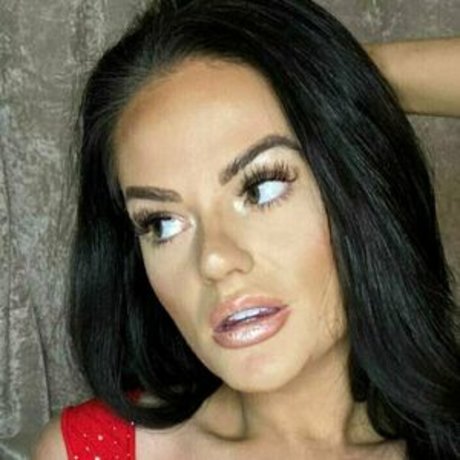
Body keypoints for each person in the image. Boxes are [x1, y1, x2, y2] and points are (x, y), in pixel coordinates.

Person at [34, 0, 460, 459]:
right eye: (162, 223)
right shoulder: (90, 451)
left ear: (362, 186)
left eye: (261, 188)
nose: (214, 259)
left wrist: (340, 78)